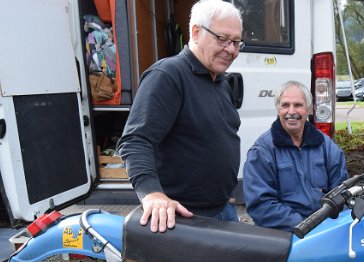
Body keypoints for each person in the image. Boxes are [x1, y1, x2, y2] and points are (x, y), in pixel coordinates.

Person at [117, 0, 243, 233]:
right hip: (184, 220)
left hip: (223, 210)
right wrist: (152, 193)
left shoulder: (220, 82)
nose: (231, 50)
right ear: (196, 32)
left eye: (236, 42)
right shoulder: (167, 75)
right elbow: (135, 141)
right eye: (222, 39)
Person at [243, 81, 349, 231]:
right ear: (278, 109)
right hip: (285, 234)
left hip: (325, 229)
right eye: (285, 105)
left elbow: (342, 194)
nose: (291, 111)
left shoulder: (327, 146)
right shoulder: (262, 151)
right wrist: (305, 226)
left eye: (298, 105)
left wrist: (330, 226)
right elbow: (261, 205)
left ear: (309, 109)